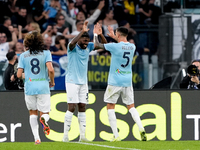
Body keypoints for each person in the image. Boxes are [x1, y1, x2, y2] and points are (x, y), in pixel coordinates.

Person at [93, 25, 147, 141]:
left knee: (110, 106)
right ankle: (141, 128)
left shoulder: (114, 46)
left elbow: (97, 45)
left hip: (115, 81)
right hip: (127, 81)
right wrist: (113, 36)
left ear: (118, 35)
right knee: (131, 106)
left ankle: (116, 135)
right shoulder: (132, 47)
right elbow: (122, 44)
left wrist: (96, 34)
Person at [62, 20, 107, 142]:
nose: (86, 43)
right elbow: (72, 43)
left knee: (82, 106)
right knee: (71, 107)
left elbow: (104, 45)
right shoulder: (72, 48)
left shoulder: (88, 46)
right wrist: (82, 31)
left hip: (83, 82)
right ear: (79, 39)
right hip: (72, 81)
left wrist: (98, 34)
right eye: (84, 40)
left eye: (88, 41)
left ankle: (82, 136)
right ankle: (65, 136)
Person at [17, 31, 55, 144]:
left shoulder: (23, 55)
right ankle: (44, 120)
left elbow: (19, 75)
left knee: (32, 113)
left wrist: (27, 75)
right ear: (40, 41)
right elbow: (51, 69)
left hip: (29, 87)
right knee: (45, 112)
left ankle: (37, 139)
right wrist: (51, 81)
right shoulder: (46, 53)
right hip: (43, 86)